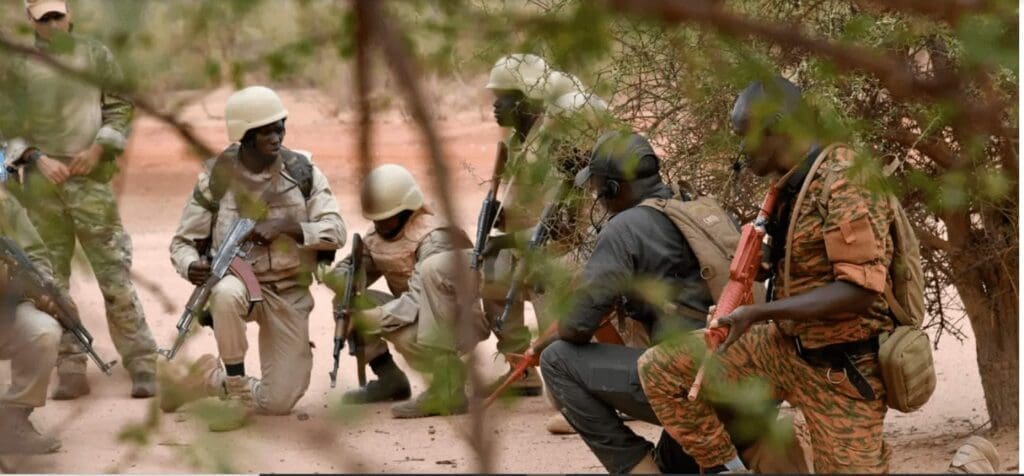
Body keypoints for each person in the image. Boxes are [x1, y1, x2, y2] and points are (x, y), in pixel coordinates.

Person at [638, 76, 898, 473]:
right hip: (783, 348)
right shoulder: (791, 184)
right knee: (661, 368)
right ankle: (727, 469)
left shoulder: (845, 179)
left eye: (745, 135)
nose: (741, 150)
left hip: (840, 370)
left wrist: (760, 313)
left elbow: (859, 290)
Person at [539, 131, 787, 474]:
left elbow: (576, 326)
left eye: (598, 189)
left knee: (556, 360)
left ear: (611, 188)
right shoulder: (700, 208)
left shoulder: (624, 228)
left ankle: (639, 469)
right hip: (752, 379)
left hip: (692, 384)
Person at [164, 86, 345, 431]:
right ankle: (235, 394)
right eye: (267, 131)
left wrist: (289, 227)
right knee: (226, 293)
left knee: (278, 403)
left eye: (281, 128)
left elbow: (336, 230)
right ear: (245, 136)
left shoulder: (303, 173)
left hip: (289, 290)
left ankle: (206, 378)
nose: (277, 137)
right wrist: (192, 266)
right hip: (240, 284)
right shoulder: (216, 179)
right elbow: (182, 243)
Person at [3, 0, 158, 400]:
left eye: (58, 15)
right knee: (51, 279)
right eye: (44, 19)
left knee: (114, 273)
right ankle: (70, 366)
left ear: (69, 15)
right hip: (41, 184)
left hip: (90, 181)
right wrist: (36, 157)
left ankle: (141, 362)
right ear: (31, 21)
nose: (52, 25)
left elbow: (121, 105)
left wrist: (99, 149)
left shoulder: (96, 55)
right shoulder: (19, 66)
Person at [325, 164, 490, 419]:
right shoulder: (381, 231)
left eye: (386, 217)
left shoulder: (433, 238)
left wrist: (371, 319)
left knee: (403, 331)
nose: (379, 224)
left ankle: (447, 388)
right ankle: (389, 379)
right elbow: (356, 268)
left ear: (406, 210)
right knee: (348, 301)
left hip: (452, 321)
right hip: (417, 312)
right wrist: (341, 279)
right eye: (376, 219)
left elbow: (419, 300)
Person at [0, 186, 64, 454]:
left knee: (43, 332)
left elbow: (35, 256)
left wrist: (41, 289)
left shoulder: (4, 202)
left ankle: (14, 422)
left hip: (7, 306)